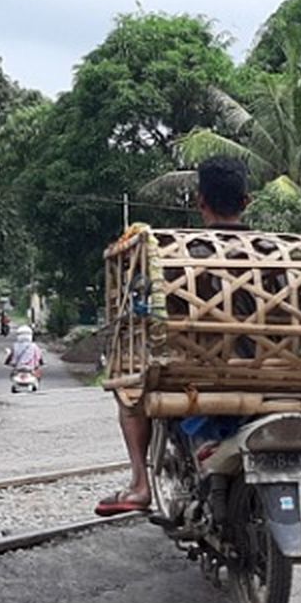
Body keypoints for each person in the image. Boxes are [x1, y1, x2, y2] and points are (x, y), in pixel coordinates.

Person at [94, 156, 252, 517]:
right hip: (275, 372)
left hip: (202, 374)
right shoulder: (277, 254)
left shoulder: (180, 259)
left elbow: (162, 318)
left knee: (128, 394)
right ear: (246, 202)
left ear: (201, 202)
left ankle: (139, 484)